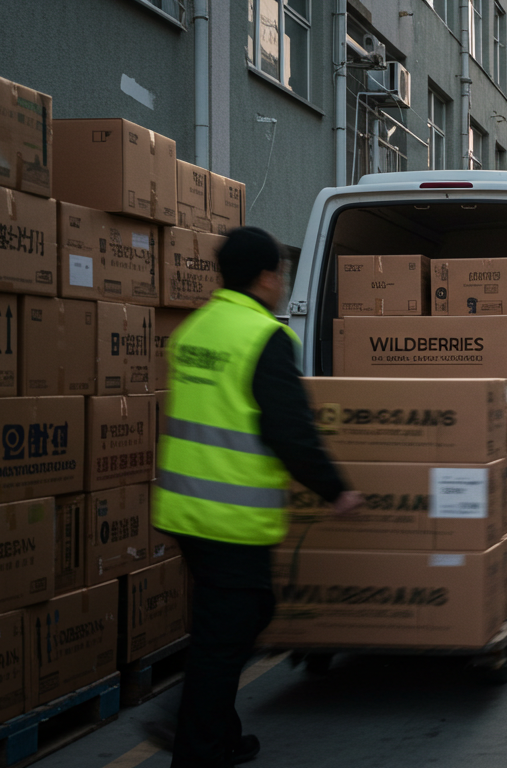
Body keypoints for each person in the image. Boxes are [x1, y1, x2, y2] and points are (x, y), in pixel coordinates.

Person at [151, 227, 363, 767]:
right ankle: (195, 746)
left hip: (183, 507)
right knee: (230, 632)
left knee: (225, 621)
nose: (282, 283)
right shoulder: (263, 338)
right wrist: (336, 489)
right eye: (281, 274)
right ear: (266, 278)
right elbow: (290, 431)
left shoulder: (194, 330)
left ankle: (220, 734)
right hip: (230, 515)